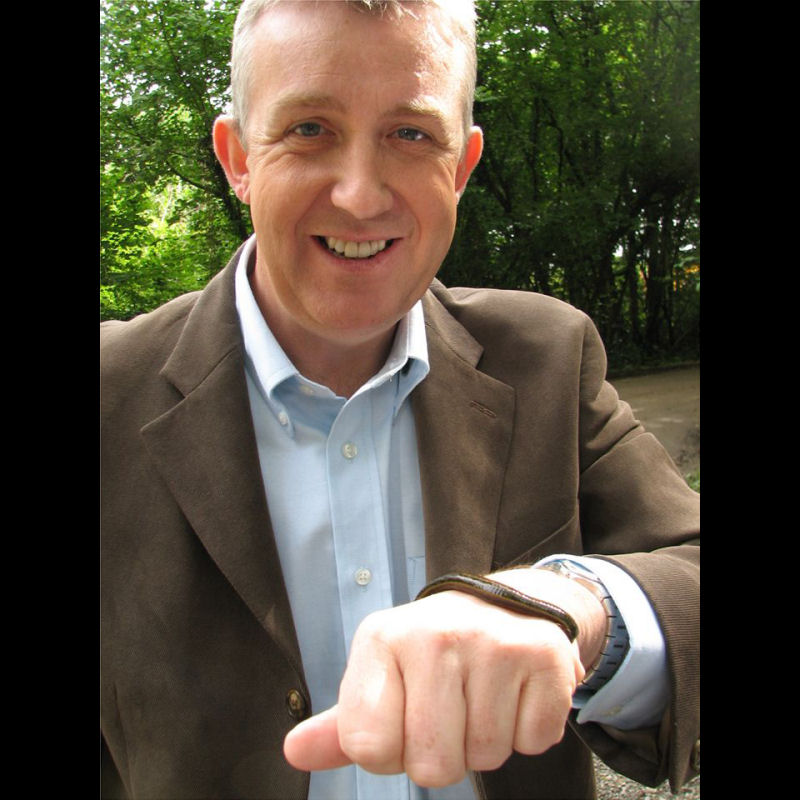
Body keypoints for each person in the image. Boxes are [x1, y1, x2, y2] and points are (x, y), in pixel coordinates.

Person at [100, 1, 700, 798]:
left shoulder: (548, 360)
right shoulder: (109, 395)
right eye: (309, 129)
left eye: (410, 134)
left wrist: (577, 606)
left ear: (462, 166)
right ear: (238, 157)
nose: (359, 195)